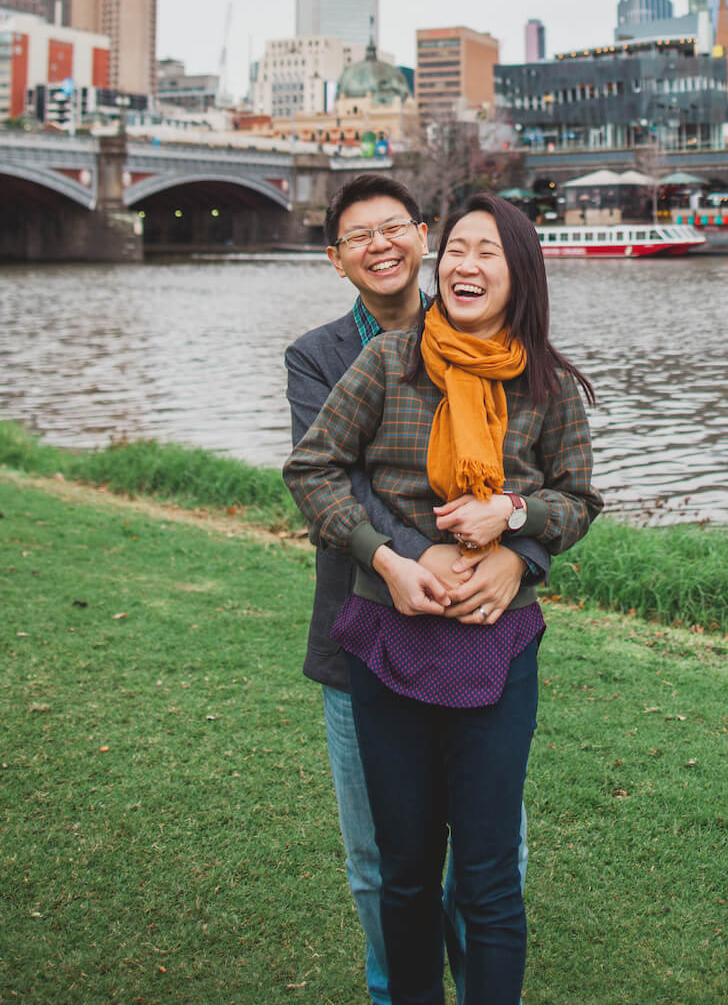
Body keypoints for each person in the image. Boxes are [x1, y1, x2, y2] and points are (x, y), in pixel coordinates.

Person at [285, 192, 602, 1005]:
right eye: (458, 249)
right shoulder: (389, 361)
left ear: (520, 271)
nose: (466, 264)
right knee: (405, 872)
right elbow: (314, 468)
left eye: (486, 251)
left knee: (493, 873)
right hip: (387, 637)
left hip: (497, 643)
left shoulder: (548, 385)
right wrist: (389, 557)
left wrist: (516, 523)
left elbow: (577, 500)